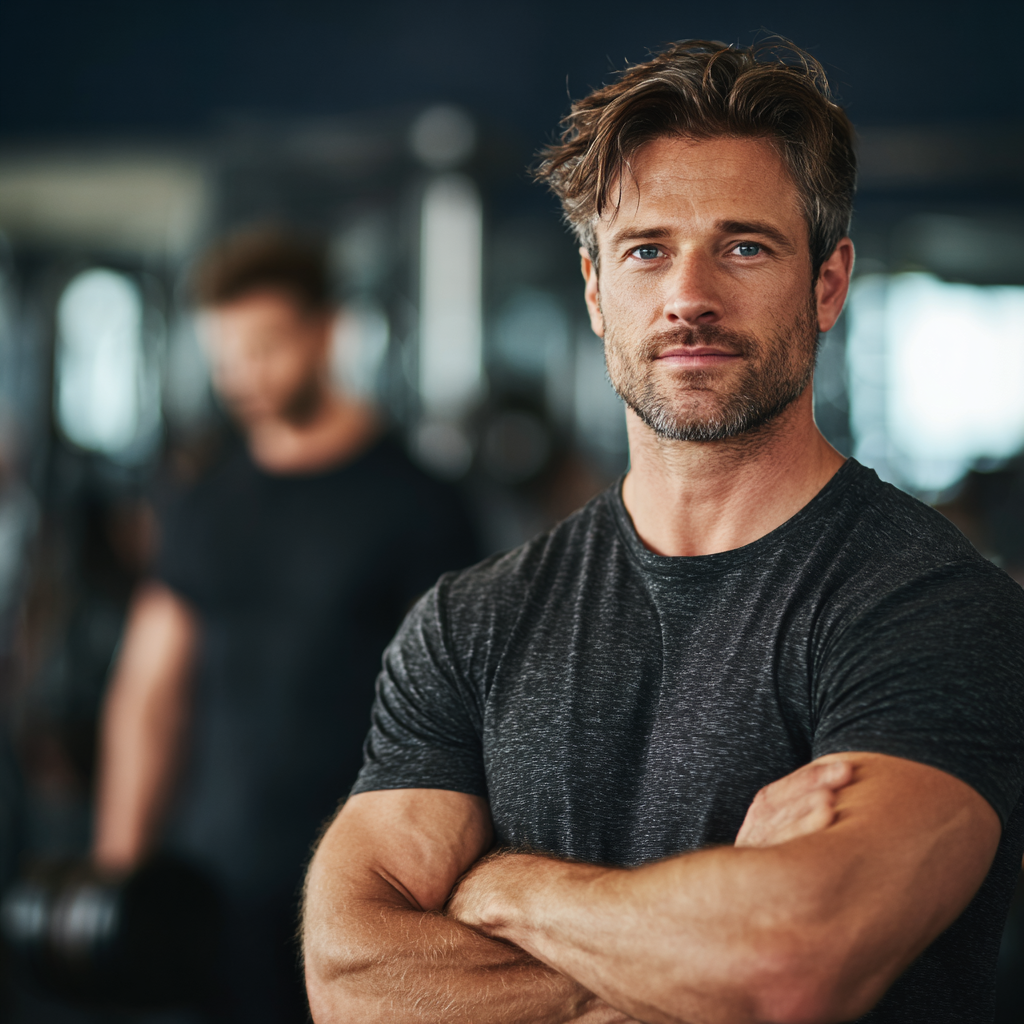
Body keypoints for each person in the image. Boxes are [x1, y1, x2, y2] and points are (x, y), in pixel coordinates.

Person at [302, 40, 1024, 1024]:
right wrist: (699, 942)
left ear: (828, 282)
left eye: (743, 245)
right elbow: (350, 977)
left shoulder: (932, 612)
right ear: (597, 291)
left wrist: (503, 889)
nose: (689, 295)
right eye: (646, 249)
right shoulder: (470, 623)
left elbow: (786, 965)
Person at [92, 227, 478, 1022]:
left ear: (327, 331)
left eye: (265, 348)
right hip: (212, 881)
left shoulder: (419, 505)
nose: (244, 377)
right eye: (227, 356)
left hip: (361, 886)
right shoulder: (201, 507)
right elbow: (148, 692)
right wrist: (120, 864)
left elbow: (464, 715)